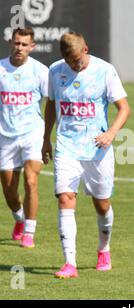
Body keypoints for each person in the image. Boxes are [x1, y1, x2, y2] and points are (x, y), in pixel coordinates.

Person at [42, 31, 130, 278]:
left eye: (78, 60)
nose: (74, 65)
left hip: (97, 150)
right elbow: (51, 104)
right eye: (69, 61)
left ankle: (104, 249)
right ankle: (69, 263)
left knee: (101, 204)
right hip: (67, 147)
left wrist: (111, 133)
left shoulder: (105, 71)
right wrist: (45, 139)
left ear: (86, 49)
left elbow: (124, 108)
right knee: (65, 198)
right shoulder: (55, 71)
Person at [0, 27, 48, 248]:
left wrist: (48, 136)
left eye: (24, 44)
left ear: (32, 47)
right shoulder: (0, 68)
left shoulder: (40, 71)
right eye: (16, 43)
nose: (19, 48)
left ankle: (29, 231)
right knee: (9, 192)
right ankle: (19, 218)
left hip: (32, 133)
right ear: (11, 42)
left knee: (31, 181)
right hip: (5, 137)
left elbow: (53, 101)